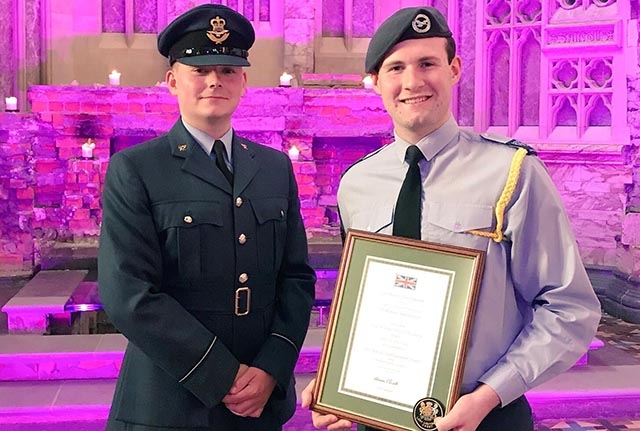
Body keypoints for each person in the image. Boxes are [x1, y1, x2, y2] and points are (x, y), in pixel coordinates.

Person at [301, 6, 601, 431]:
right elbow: (365, 304)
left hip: (484, 416)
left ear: (454, 68)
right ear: (377, 82)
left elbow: (570, 308)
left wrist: (489, 394)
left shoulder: (511, 172)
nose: (412, 82)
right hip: (377, 416)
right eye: (396, 68)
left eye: (428, 64)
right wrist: (337, 381)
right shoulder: (357, 184)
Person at [98, 4, 316, 431]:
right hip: (168, 405)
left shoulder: (274, 167)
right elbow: (129, 294)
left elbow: (296, 278)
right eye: (200, 69)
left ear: (244, 81)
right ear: (173, 81)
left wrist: (271, 367)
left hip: (259, 402)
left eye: (228, 69)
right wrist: (223, 376)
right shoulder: (137, 169)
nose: (215, 80)